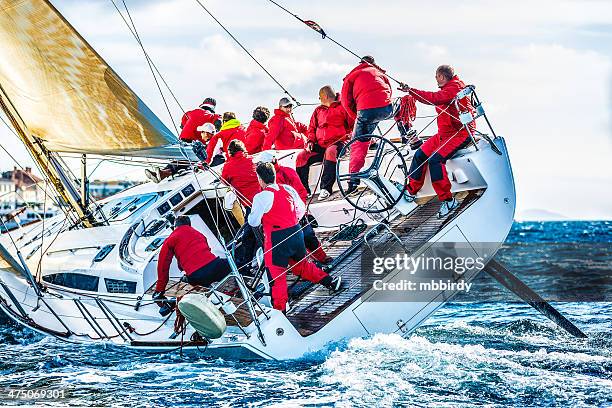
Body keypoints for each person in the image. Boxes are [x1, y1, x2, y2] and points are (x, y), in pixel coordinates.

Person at [248, 162, 342, 312]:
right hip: (296, 233)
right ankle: (330, 281)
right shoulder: (287, 189)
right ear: (273, 174)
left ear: (260, 179)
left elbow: (253, 221)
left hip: (277, 240)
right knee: (302, 266)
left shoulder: (261, 197)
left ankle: (281, 312)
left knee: (277, 277)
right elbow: (300, 210)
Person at [401, 65, 475, 218]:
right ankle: (411, 190)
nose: (435, 79)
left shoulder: (453, 89)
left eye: (436, 76)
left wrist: (411, 91)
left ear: (441, 77)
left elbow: (433, 98)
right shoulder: (450, 88)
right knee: (420, 154)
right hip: (444, 134)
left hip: (459, 134)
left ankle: (448, 200)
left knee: (435, 160)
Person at [257, 151, 332, 264]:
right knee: (291, 244)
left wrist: (299, 212)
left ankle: (321, 257)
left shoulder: (287, 172)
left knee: (308, 236)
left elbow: (301, 192)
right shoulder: (263, 182)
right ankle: (302, 266)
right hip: (281, 219)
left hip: (296, 213)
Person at [340, 56, 393, 194]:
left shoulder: (351, 76)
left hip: (366, 111)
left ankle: (353, 181)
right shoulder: (380, 73)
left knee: (357, 144)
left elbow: (345, 102)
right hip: (387, 109)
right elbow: (389, 91)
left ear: (360, 63)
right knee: (403, 107)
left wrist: (356, 117)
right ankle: (407, 136)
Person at [296, 86, 354, 199]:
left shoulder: (343, 107)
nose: (319, 99)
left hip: (338, 144)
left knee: (331, 151)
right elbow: (311, 128)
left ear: (326, 96)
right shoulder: (318, 110)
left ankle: (326, 189)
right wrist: (310, 141)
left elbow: (353, 126)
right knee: (302, 156)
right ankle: (303, 190)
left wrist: (349, 137)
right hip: (321, 146)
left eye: (320, 96)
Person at [154, 216, 231, 296]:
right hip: (216, 266)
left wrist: (160, 289)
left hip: (196, 276)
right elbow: (207, 249)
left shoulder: (170, 239)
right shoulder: (198, 233)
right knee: (232, 265)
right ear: (189, 225)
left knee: (187, 285)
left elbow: (163, 265)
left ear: (175, 226)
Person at [145, 122, 218, 183]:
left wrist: (199, 166)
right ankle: (161, 173)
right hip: (201, 160)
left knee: (185, 160)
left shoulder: (213, 142)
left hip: (211, 162)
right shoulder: (209, 142)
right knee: (182, 160)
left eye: (202, 132)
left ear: (206, 133)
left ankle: (163, 174)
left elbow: (209, 157)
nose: (201, 134)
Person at [221, 140, 262, 209]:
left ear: (229, 152)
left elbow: (224, 183)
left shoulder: (227, 167)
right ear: (243, 149)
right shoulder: (253, 160)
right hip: (264, 197)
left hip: (248, 203)